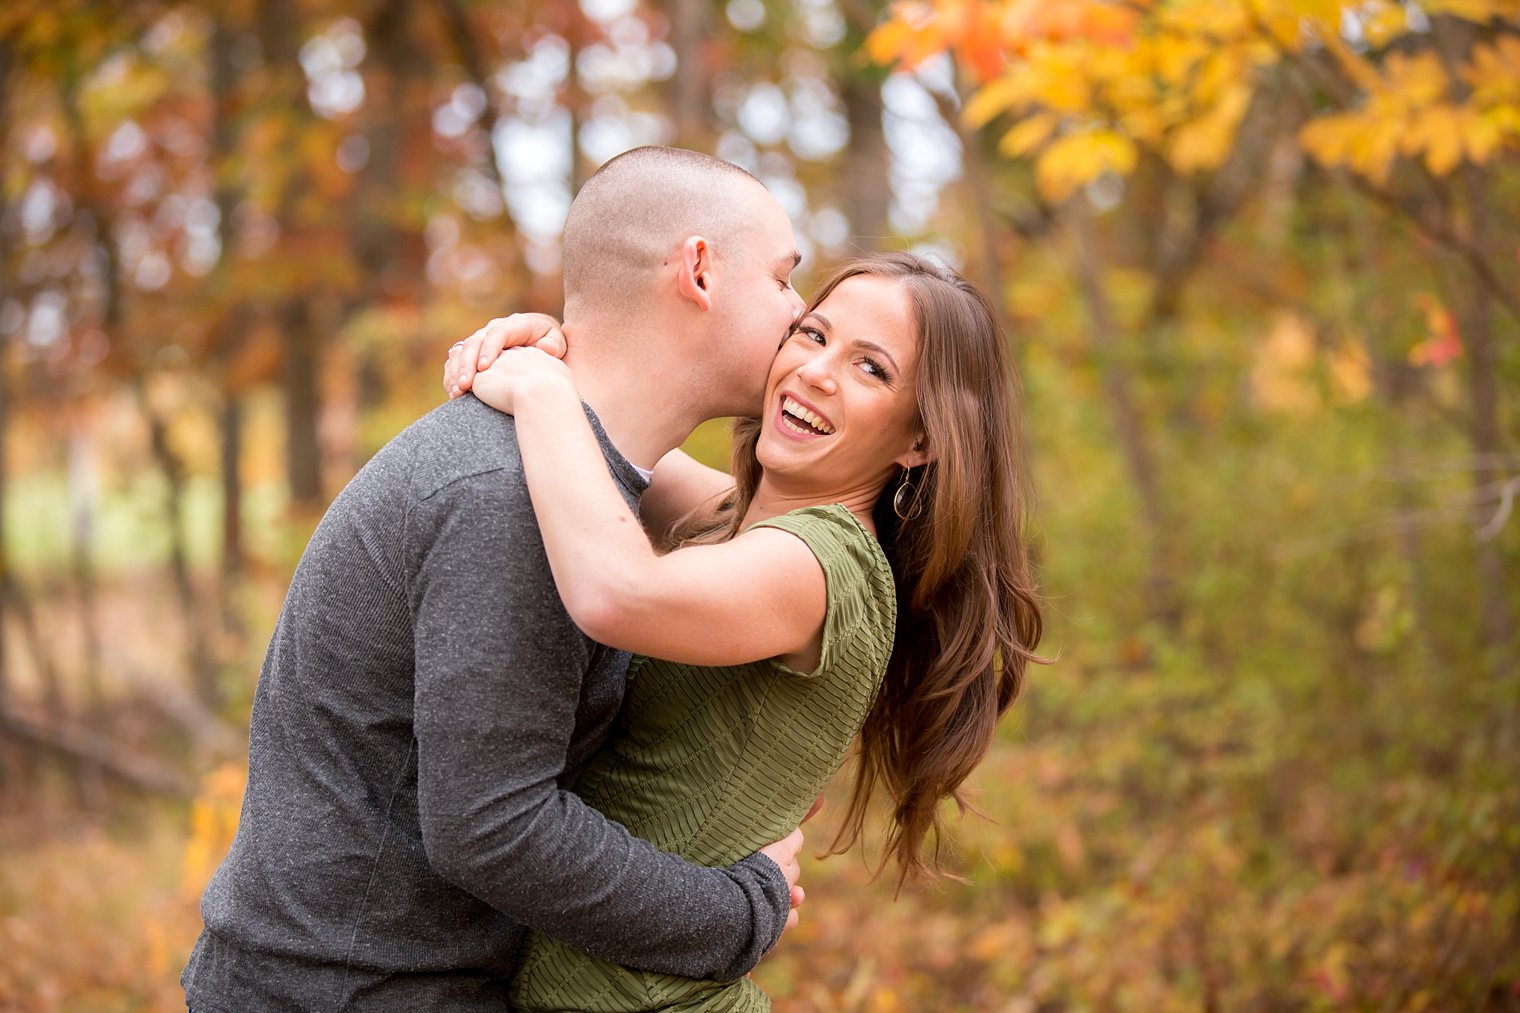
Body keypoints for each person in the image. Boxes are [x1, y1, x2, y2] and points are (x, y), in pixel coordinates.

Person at [181, 147, 814, 1012]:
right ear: (699, 270)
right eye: (783, 279)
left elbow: (771, 540)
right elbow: (491, 828)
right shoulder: (501, 494)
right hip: (341, 992)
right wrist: (733, 913)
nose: (798, 311)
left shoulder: (575, 482)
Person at [444, 251, 1044, 1011]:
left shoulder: (820, 568)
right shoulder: (738, 520)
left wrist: (539, 394)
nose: (818, 371)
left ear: (920, 439)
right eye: (813, 333)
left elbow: (618, 589)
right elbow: (612, 437)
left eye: (871, 368)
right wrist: (556, 352)